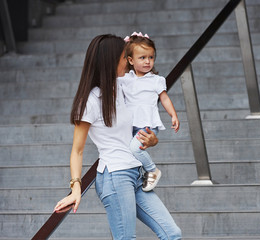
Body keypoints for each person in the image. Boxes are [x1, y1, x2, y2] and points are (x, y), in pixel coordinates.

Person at [53, 34, 182, 240]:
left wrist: (152, 140)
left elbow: (144, 114)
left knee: (172, 233)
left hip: (136, 173)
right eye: (124, 58)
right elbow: (77, 151)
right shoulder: (90, 102)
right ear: (111, 62)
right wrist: (75, 188)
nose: (128, 62)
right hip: (115, 176)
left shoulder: (123, 86)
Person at [120, 32, 180, 192]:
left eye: (151, 57)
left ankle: (152, 170)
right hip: (129, 125)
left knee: (134, 148)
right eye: (142, 58)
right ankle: (137, 177)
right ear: (131, 60)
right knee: (129, 151)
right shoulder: (125, 79)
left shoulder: (156, 80)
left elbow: (165, 98)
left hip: (147, 124)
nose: (148, 61)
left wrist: (173, 115)